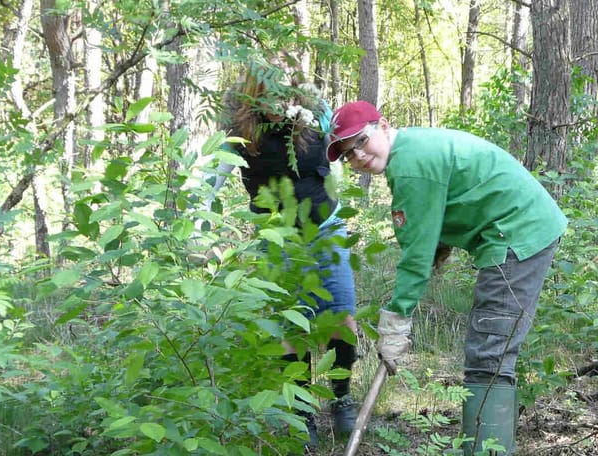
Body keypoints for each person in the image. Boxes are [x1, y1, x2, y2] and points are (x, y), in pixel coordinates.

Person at [326, 101, 567, 455]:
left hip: (518, 233)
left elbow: (416, 255)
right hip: (515, 231)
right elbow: (436, 217)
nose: (358, 155)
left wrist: (396, 319)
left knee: (490, 352)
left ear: (385, 126)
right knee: (489, 349)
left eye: (361, 141)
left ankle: (488, 450)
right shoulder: (411, 152)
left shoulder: (410, 165)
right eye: (348, 154)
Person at [208, 62, 359, 448]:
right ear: (254, 97)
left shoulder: (312, 116)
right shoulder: (242, 132)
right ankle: (301, 413)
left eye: (284, 93)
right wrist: (198, 224)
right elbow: (215, 176)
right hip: (278, 238)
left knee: (341, 314)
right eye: (269, 95)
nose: (279, 102)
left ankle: (341, 398)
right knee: (291, 328)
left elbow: (337, 153)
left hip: (326, 228)